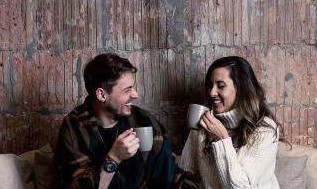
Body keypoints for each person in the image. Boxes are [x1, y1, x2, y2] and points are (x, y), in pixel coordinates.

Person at [53, 53, 177, 189]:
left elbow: (170, 174)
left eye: (133, 87)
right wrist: (114, 158)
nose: (135, 95)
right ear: (101, 94)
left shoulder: (144, 121)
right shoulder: (73, 127)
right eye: (127, 90)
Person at [179, 56, 285, 189]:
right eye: (210, 85)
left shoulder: (265, 130)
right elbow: (186, 172)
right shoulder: (203, 124)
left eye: (220, 86)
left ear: (241, 89)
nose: (212, 93)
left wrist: (222, 138)